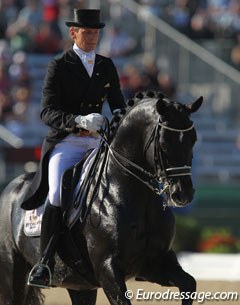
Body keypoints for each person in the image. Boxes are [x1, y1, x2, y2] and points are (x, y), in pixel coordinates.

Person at [23, 8, 125, 288]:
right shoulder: (59, 65)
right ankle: (44, 263)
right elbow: (47, 112)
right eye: (87, 32)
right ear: (73, 33)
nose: (93, 37)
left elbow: (118, 104)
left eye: (96, 33)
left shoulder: (106, 65)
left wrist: (119, 117)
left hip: (97, 143)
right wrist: (77, 120)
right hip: (67, 142)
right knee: (56, 193)